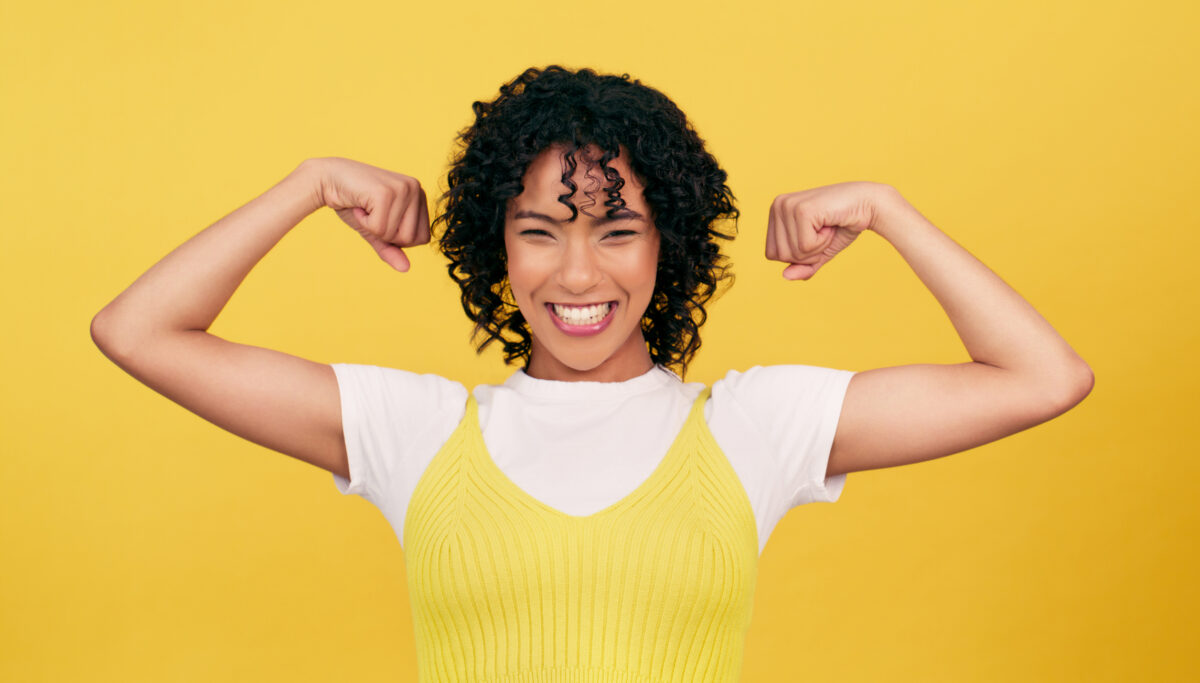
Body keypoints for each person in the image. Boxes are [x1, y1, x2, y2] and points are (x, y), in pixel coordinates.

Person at [91, 66, 1093, 682]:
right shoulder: (418, 428)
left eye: (618, 230)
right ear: (499, 249)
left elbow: (1044, 375)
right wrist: (305, 186)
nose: (578, 274)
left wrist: (885, 207)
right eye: (540, 232)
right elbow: (137, 330)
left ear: (672, 244)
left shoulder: (756, 423)